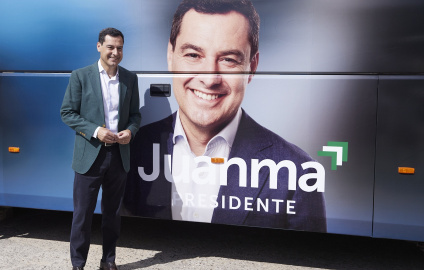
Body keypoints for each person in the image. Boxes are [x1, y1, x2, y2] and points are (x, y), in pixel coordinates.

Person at [125, 0, 326, 232]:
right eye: (193, 55)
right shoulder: (132, 149)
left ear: (252, 66)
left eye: (228, 60)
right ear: (170, 56)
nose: (210, 79)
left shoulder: (297, 170)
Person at [61, 28, 141, 270]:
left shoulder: (130, 78)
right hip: (90, 155)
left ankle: (108, 261)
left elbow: (135, 115)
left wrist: (131, 131)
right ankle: (78, 264)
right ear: (99, 47)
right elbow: (67, 113)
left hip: (118, 155)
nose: (115, 52)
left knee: (112, 214)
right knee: (83, 215)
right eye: (110, 47)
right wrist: (96, 130)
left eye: (119, 48)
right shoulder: (80, 76)